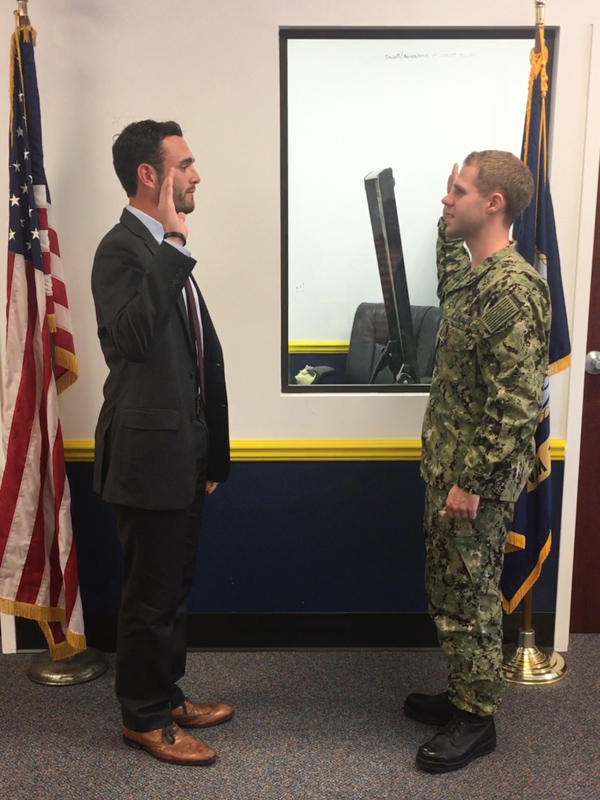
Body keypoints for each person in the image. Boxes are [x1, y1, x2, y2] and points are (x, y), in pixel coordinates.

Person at [92, 120, 233, 766]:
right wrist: (174, 243)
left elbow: (198, 359)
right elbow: (133, 340)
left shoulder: (162, 253)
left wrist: (211, 450)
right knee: (149, 596)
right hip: (147, 459)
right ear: (151, 175)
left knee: (174, 586)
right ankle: (143, 718)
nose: (197, 174)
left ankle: (166, 692)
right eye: (186, 163)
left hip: (183, 454)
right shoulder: (122, 250)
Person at [405, 151, 551, 773]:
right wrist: (447, 213)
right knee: (450, 592)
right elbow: (446, 256)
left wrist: (472, 482)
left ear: (493, 204)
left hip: (474, 484)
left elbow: (515, 404)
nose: (446, 200)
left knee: (472, 598)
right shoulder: (471, 277)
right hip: (449, 473)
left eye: (457, 192)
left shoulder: (514, 290)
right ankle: (464, 690)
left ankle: (477, 718)